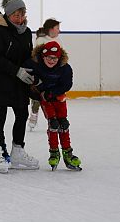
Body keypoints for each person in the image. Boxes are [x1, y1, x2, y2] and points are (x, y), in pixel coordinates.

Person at [0, 0, 39, 173]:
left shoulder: (27, 32)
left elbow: (27, 55)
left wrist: (31, 70)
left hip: (18, 83)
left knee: (22, 114)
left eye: (22, 14)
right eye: (15, 14)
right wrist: (17, 71)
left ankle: (17, 151)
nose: (19, 18)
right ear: (8, 14)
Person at [24, 41, 81, 170]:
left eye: (54, 58)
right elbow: (25, 72)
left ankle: (68, 153)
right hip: (46, 100)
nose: (51, 60)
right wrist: (36, 90)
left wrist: (52, 93)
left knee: (64, 124)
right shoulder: (35, 64)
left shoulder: (65, 68)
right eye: (48, 57)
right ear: (42, 56)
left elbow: (67, 85)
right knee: (53, 124)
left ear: (59, 58)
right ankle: (54, 152)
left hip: (58, 98)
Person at [28, 18, 63, 131]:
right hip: (41, 76)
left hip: (53, 77)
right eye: (57, 28)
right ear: (51, 29)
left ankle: (52, 120)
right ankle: (34, 115)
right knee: (38, 99)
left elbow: (61, 59)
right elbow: (36, 58)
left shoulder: (58, 41)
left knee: (51, 99)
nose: (59, 31)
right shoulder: (41, 41)